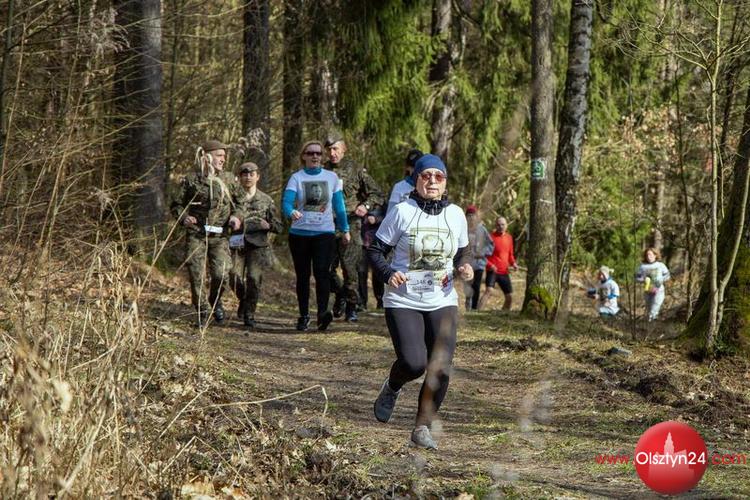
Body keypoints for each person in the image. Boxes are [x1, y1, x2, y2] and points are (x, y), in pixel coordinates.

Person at [367, 153, 473, 450]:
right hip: (404, 299)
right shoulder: (402, 211)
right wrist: (389, 273)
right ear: (416, 180)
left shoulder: (456, 214)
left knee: (441, 366)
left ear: (445, 182)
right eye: (426, 176)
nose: (432, 181)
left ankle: (422, 426)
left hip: (442, 299)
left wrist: (465, 266)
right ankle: (393, 385)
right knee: (414, 363)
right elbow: (375, 251)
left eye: (438, 176)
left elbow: (463, 252)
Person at [171, 140, 245, 326]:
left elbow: (241, 203)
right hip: (197, 234)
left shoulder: (229, 179)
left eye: (224, 156)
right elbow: (176, 204)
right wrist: (184, 217)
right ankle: (202, 312)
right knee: (196, 274)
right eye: (219, 155)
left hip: (220, 237)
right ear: (206, 157)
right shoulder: (191, 180)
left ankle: (215, 300)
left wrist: (236, 217)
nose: (223, 159)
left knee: (222, 274)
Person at [282, 140, 351, 331]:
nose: (315, 156)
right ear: (303, 156)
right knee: (303, 276)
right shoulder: (296, 178)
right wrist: (291, 212)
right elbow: (286, 202)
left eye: (318, 153)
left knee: (322, 273)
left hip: (324, 233)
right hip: (299, 234)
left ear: (322, 157)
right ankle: (304, 315)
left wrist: (345, 229)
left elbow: (339, 206)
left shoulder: (332, 177)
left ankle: (322, 314)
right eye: (310, 153)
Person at [325, 134, 385, 322]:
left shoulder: (356, 169)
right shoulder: (322, 170)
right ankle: (341, 294)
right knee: (325, 269)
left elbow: (377, 194)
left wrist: (365, 206)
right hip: (326, 224)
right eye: (329, 149)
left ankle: (351, 307)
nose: (332, 153)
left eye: (335, 149)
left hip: (351, 223)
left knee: (349, 268)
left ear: (344, 149)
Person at [228, 162, 283, 331]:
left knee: (253, 278)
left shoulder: (266, 200)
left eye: (251, 174)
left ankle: (249, 313)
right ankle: (243, 300)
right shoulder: (232, 198)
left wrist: (268, 225)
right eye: (244, 174)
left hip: (257, 245)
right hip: (236, 243)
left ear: (258, 177)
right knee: (233, 276)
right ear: (239, 177)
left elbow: (279, 226)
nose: (248, 177)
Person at [478, 216, 518, 311]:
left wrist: (513, 263)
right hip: (492, 270)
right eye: (498, 225)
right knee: (489, 291)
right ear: (495, 225)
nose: (501, 227)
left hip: (504, 271)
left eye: (503, 224)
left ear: (507, 225)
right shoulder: (490, 238)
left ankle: (503, 314)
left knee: (509, 296)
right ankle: (477, 312)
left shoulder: (509, 238)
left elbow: (510, 255)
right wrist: (490, 265)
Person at [463, 205, 494, 311]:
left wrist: (483, 253)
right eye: (469, 215)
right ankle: (468, 305)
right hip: (467, 263)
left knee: (476, 286)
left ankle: (474, 308)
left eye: (473, 215)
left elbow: (491, 244)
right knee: (468, 285)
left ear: (476, 217)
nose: (471, 217)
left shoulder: (482, 229)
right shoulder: (463, 229)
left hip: (479, 263)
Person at [358, 205, 385, 310]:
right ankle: (362, 302)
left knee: (378, 273)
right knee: (361, 272)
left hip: (377, 244)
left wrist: (376, 219)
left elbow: (388, 217)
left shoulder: (381, 202)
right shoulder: (358, 203)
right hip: (362, 243)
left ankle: (380, 301)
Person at [635, 247, 671, 321]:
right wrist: (643, 280)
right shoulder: (642, 266)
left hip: (658, 290)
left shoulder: (660, 265)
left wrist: (660, 280)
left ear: (655, 255)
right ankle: (649, 325)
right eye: (647, 255)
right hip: (647, 290)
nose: (649, 257)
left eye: (650, 255)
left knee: (654, 308)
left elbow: (667, 275)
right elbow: (636, 277)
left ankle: (652, 322)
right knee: (648, 309)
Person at [387, 148, 423, 213]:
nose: (416, 170)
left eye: (419, 166)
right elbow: (390, 213)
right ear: (407, 167)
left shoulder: (429, 187)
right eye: (413, 167)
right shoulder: (399, 187)